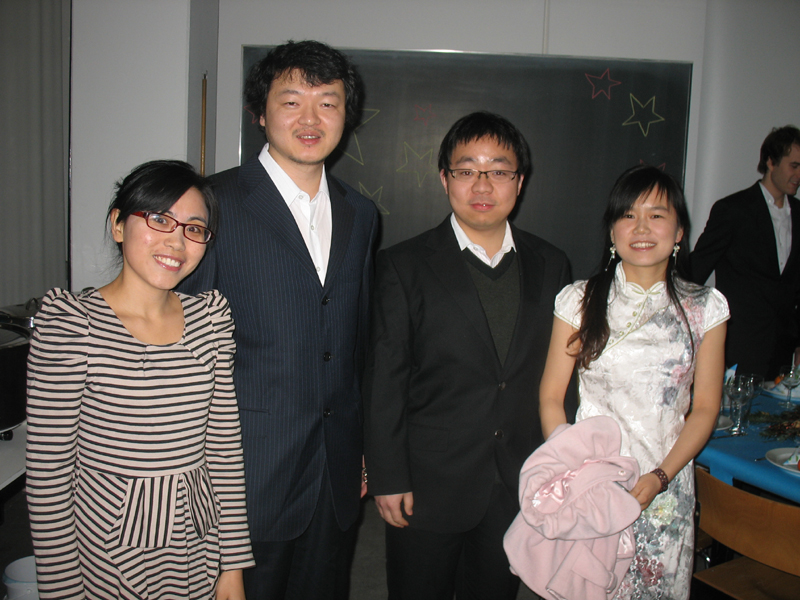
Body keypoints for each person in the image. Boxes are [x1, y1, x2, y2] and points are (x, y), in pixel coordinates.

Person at [178, 40, 378, 600]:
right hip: (246, 472)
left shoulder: (361, 213)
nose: (310, 118)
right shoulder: (212, 203)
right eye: (291, 101)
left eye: (328, 102)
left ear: (346, 114)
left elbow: (356, 341)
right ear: (260, 113)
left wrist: (361, 446)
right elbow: (184, 348)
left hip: (334, 468)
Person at [363, 111, 572, 600]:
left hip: (516, 479)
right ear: (444, 178)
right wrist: (387, 476)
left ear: (519, 182)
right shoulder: (403, 265)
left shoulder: (552, 264)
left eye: (498, 170)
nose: (482, 184)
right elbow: (384, 379)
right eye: (466, 170)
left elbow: (564, 377)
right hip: (427, 483)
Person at [26, 160, 254, 600]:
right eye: (159, 219)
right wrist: (62, 592)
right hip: (109, 550)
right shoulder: (73, 326)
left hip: (197, 542)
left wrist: (233, 566)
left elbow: (223, 451)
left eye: (194, 228)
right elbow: (49, 477)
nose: (176, 241)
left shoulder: (209, 320)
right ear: (118, 224)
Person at [539, 164, 729, 599]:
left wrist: (661, 476)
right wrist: (574, 471)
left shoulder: (705, 307)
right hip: (590, 486)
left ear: (679, 231)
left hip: (665, 485)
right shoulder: (579, 300)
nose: (641, 228)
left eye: (657, 215)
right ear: (612, 231)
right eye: (628, 215)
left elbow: (705, 408)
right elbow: (550, 397)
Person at [690, 125, 800, 378]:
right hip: (738, 347)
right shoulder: (733, 210)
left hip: (783, 351)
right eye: (793, 166)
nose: (798, 174)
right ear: (770, 162)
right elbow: (696, 270)